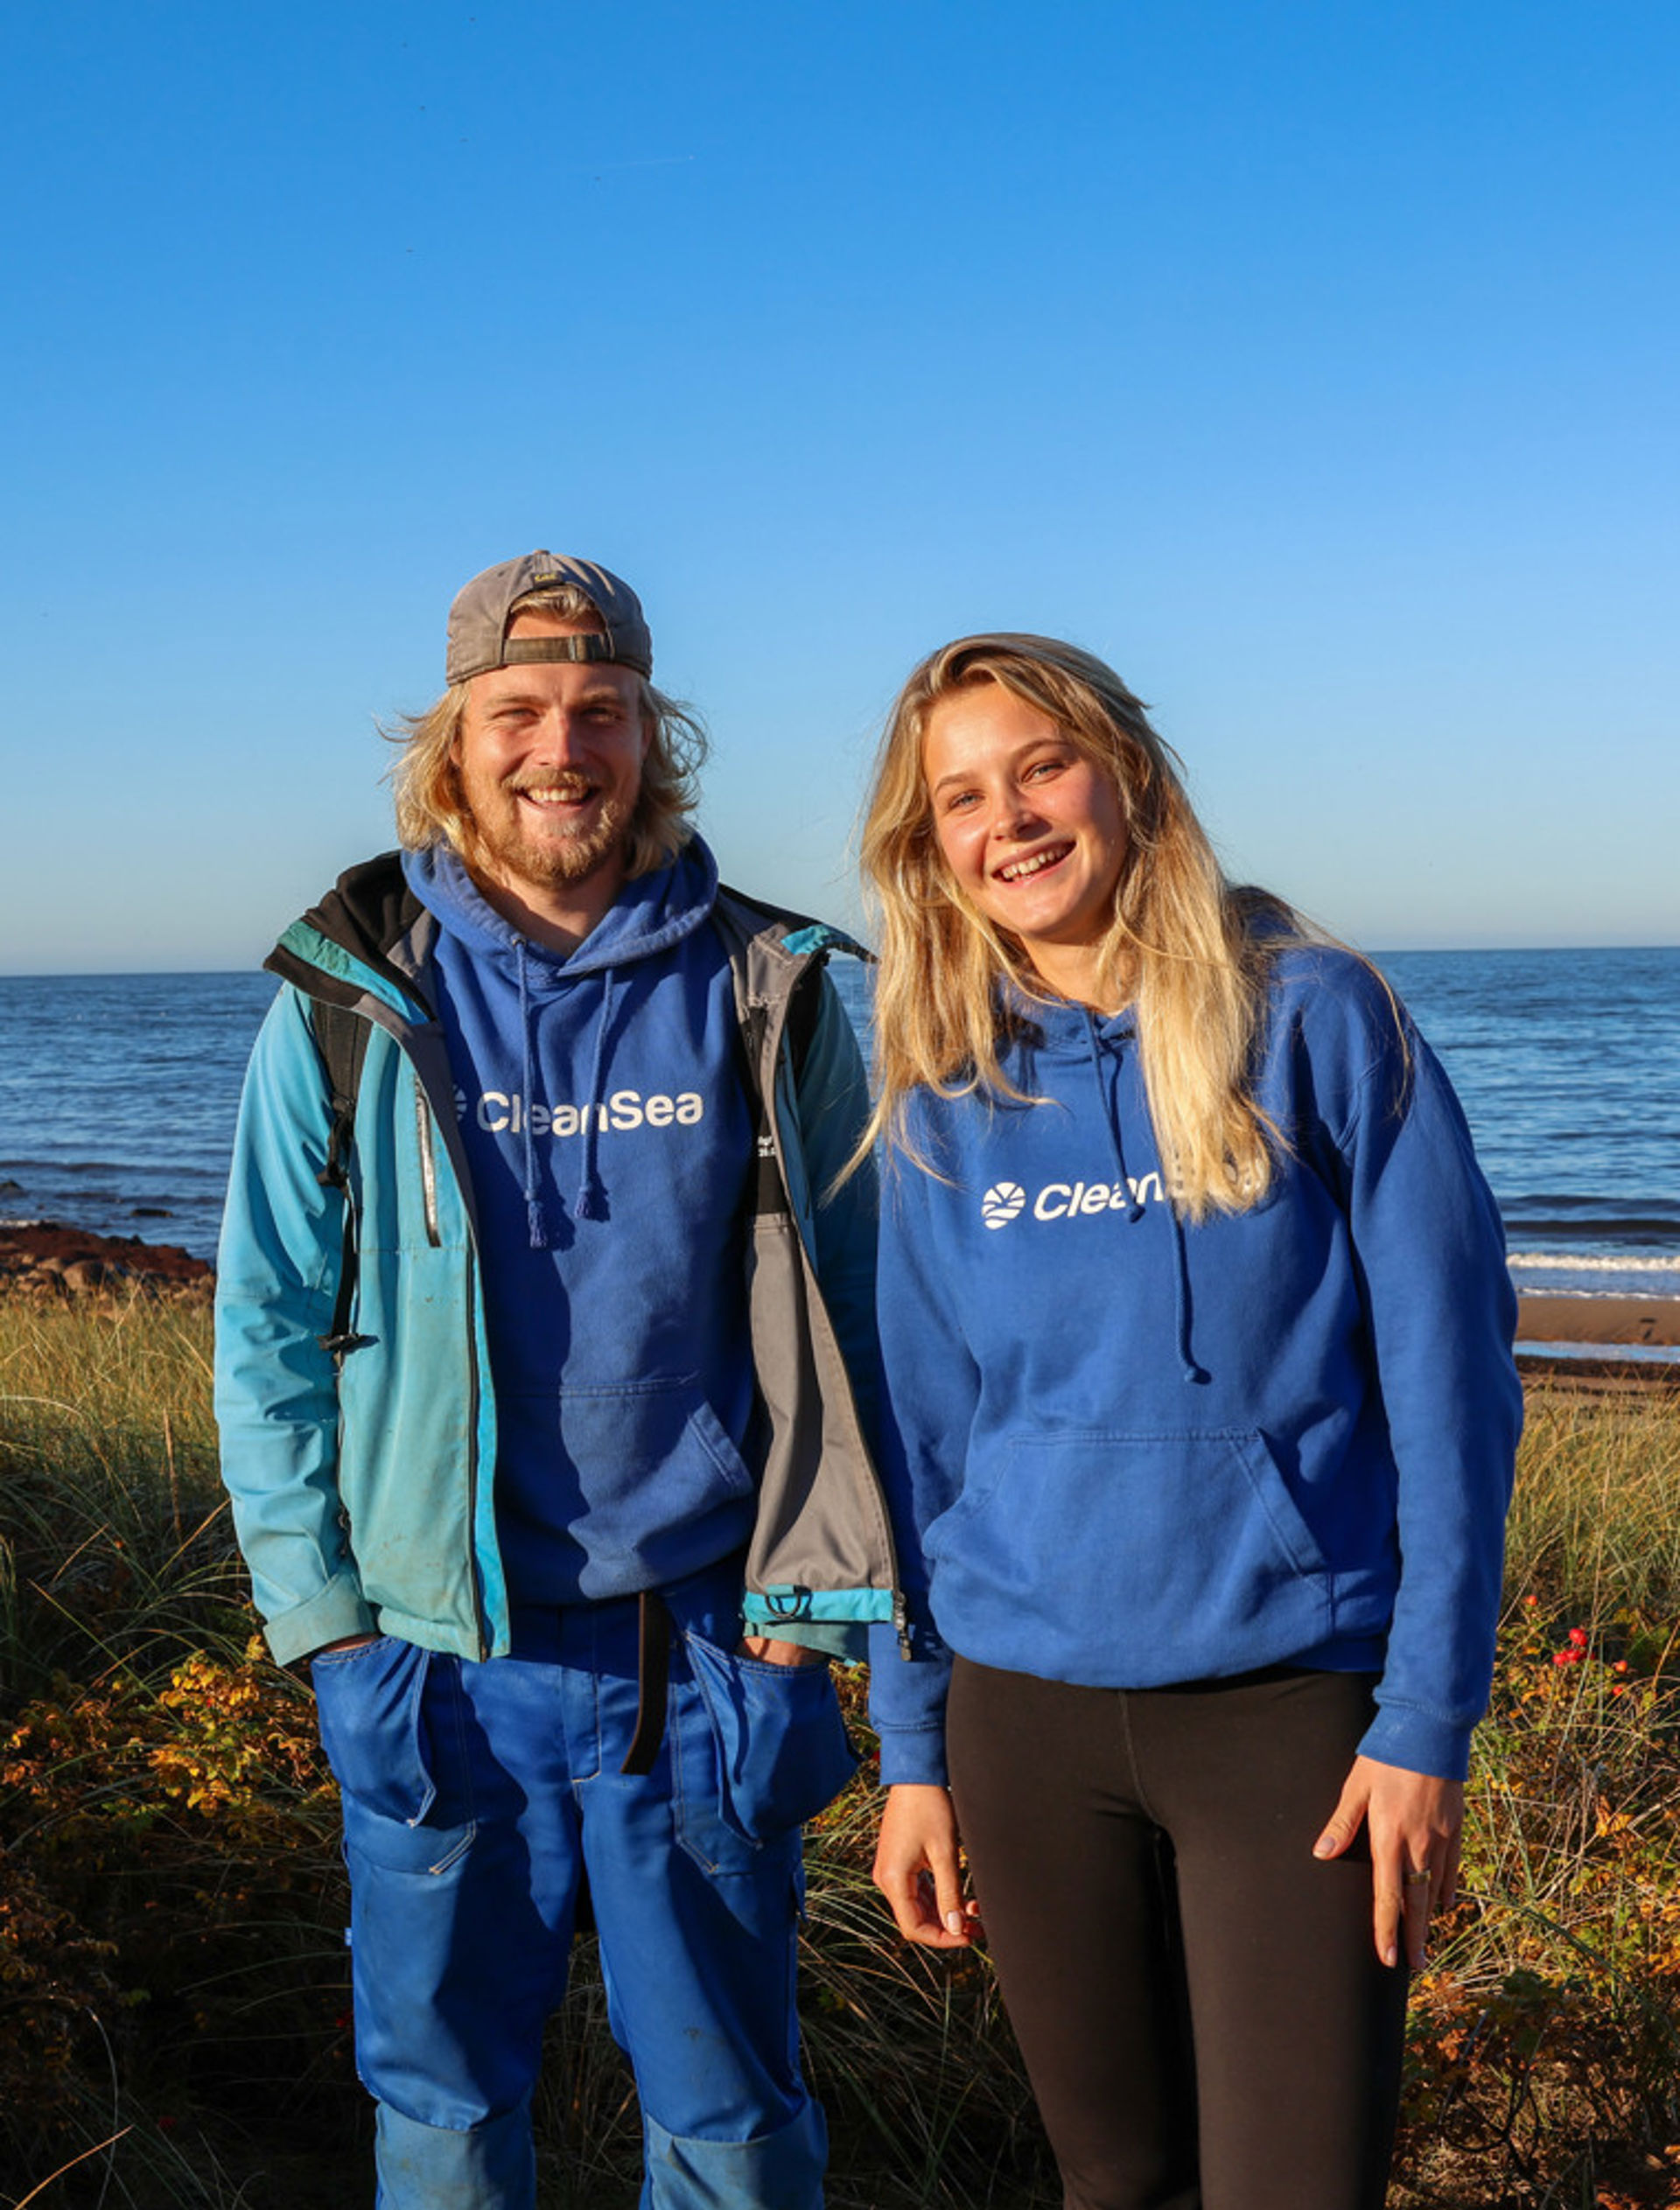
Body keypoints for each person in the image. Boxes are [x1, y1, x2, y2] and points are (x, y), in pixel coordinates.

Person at [214, 551, 901, 2210]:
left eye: (601, 710)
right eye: (515, 710)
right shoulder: (348, 992)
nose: (560, 747)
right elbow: (265, 1332)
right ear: (450, 744)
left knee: (735, 2127)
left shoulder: (764, 983)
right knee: (445, 2118)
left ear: (651, 736)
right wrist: (330, 1627)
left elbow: (856, 1316)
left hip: (705, 1650)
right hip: (440, 1658)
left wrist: (809, 1614)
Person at [859, 632, 1522, 2210]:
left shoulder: (1313, 1012)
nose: (1009, 819)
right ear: (928, 846)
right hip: (1022, 1722)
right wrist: (910, 1747)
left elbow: (1455, 1386)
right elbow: (916, 1444)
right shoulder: (941, 1084)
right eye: (961, 797)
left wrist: (1426, 1719)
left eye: (1040, 767)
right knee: (1119, 2185)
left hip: (1285, 1716)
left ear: (1127, 771)